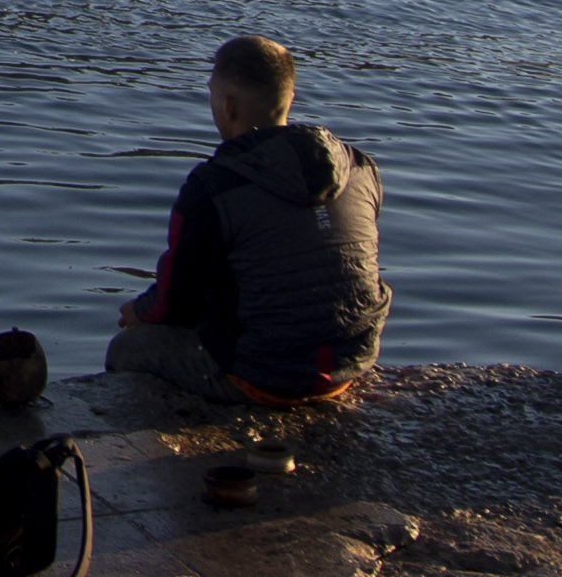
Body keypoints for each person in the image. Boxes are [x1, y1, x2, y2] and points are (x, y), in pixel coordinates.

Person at [107, 33, 387, 406]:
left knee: (128, 348)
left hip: (265, 374)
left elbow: (177, 300)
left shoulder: (214, 186)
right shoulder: (359, 166)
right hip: (354, 360)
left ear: (228, 105)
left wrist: (140, 311)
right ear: (288, 97)